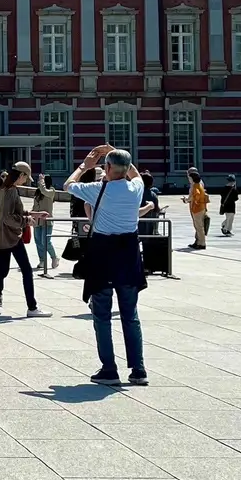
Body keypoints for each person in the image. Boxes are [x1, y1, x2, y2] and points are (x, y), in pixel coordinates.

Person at [64, 145, 148, 387]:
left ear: (108, 168)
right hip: (128, 255)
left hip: (102, 254)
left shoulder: (97, 189)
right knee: (130, 315)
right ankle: (138, 369)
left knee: (101, 315)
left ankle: (109, 368)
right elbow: (136, 174)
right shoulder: (136, 189)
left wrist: (84, 166)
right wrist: (118, 153)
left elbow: (67, 186)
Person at [0, 162, 49, 318]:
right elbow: (8, 217)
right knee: (25, 270)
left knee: (1, 272)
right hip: (11, 237)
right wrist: (26, 221)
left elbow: (12, 212)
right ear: (21, 175)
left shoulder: (5, 190)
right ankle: (32, 307)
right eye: (26, 178)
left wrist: (34, 214)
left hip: (4, 237)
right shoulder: (11, 191)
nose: (26, 181)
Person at [29, 173, 63, 270]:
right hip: (37, 221)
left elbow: (44, 190)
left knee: (46, 242)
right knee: (38, 241)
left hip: (47, 221)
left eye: (42, 181)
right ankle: (42, 260)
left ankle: (54, 257)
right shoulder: (38, 192)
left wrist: (41, 181)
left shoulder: (51, 191)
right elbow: (35, 206)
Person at [183, 168, 208, 250]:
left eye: (189, 177)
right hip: (199, 208)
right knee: (198, 226)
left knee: (199, 226)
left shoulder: (195, 186)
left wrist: (187, 200)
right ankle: (199, 242)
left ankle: (201, 243)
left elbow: (195, 196)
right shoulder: (197, 185)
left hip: (197, 209)